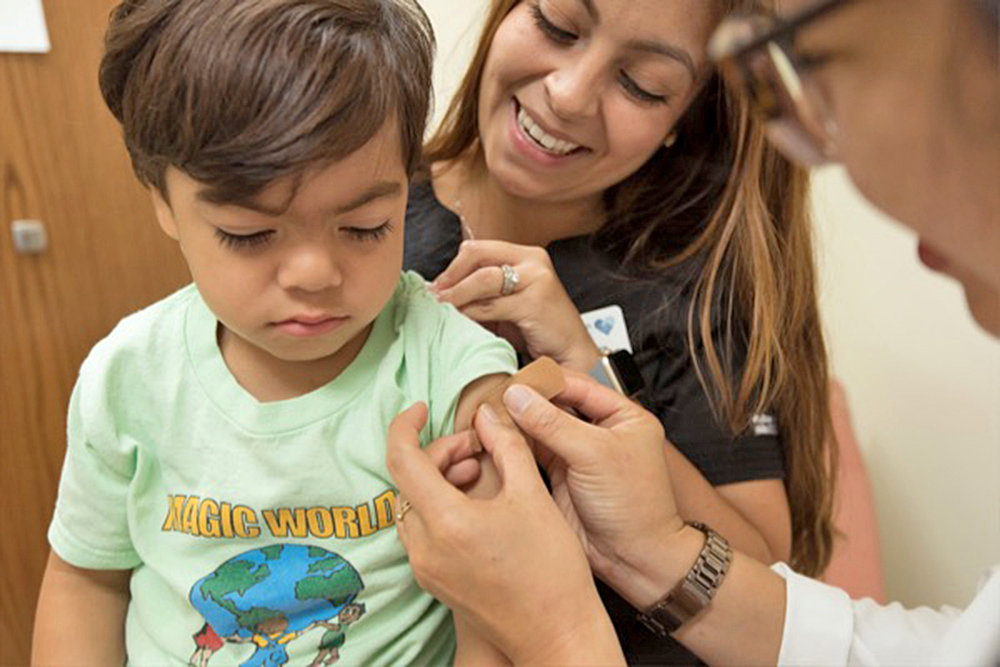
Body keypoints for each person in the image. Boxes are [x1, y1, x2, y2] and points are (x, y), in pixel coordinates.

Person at [388, 0, 1000, 663]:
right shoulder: (368, 213)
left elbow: (766, 564)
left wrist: (591, 369)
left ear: (686, 117)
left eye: (642, 85)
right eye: (557, 24)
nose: (566, 95)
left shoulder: (688, 291)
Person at [30, 1, 518, 665]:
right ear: (163, 202)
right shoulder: (128, 376)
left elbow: (500, 608)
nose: (315, 273)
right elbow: (86, 578)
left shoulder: (450, 368)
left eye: (365, 225)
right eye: (250, 234)